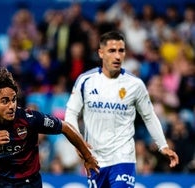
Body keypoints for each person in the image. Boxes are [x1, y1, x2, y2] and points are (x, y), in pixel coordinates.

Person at [64, 31, 179, 188]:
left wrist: (163, 145)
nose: (117, 56)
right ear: (101, 53)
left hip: (123, 157)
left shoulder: (135, 84)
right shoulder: (86, 81)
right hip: (95, 159)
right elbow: (71, 113)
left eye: (121, 50)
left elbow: (149, 116)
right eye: (112, 51)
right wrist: (78, 143)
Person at [0, 67, 99, 188]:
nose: (11, 106)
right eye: (5, 101)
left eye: (13, 99)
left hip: (26, 182)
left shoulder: (28, 118)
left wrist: (88, 158)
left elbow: (65, 127)